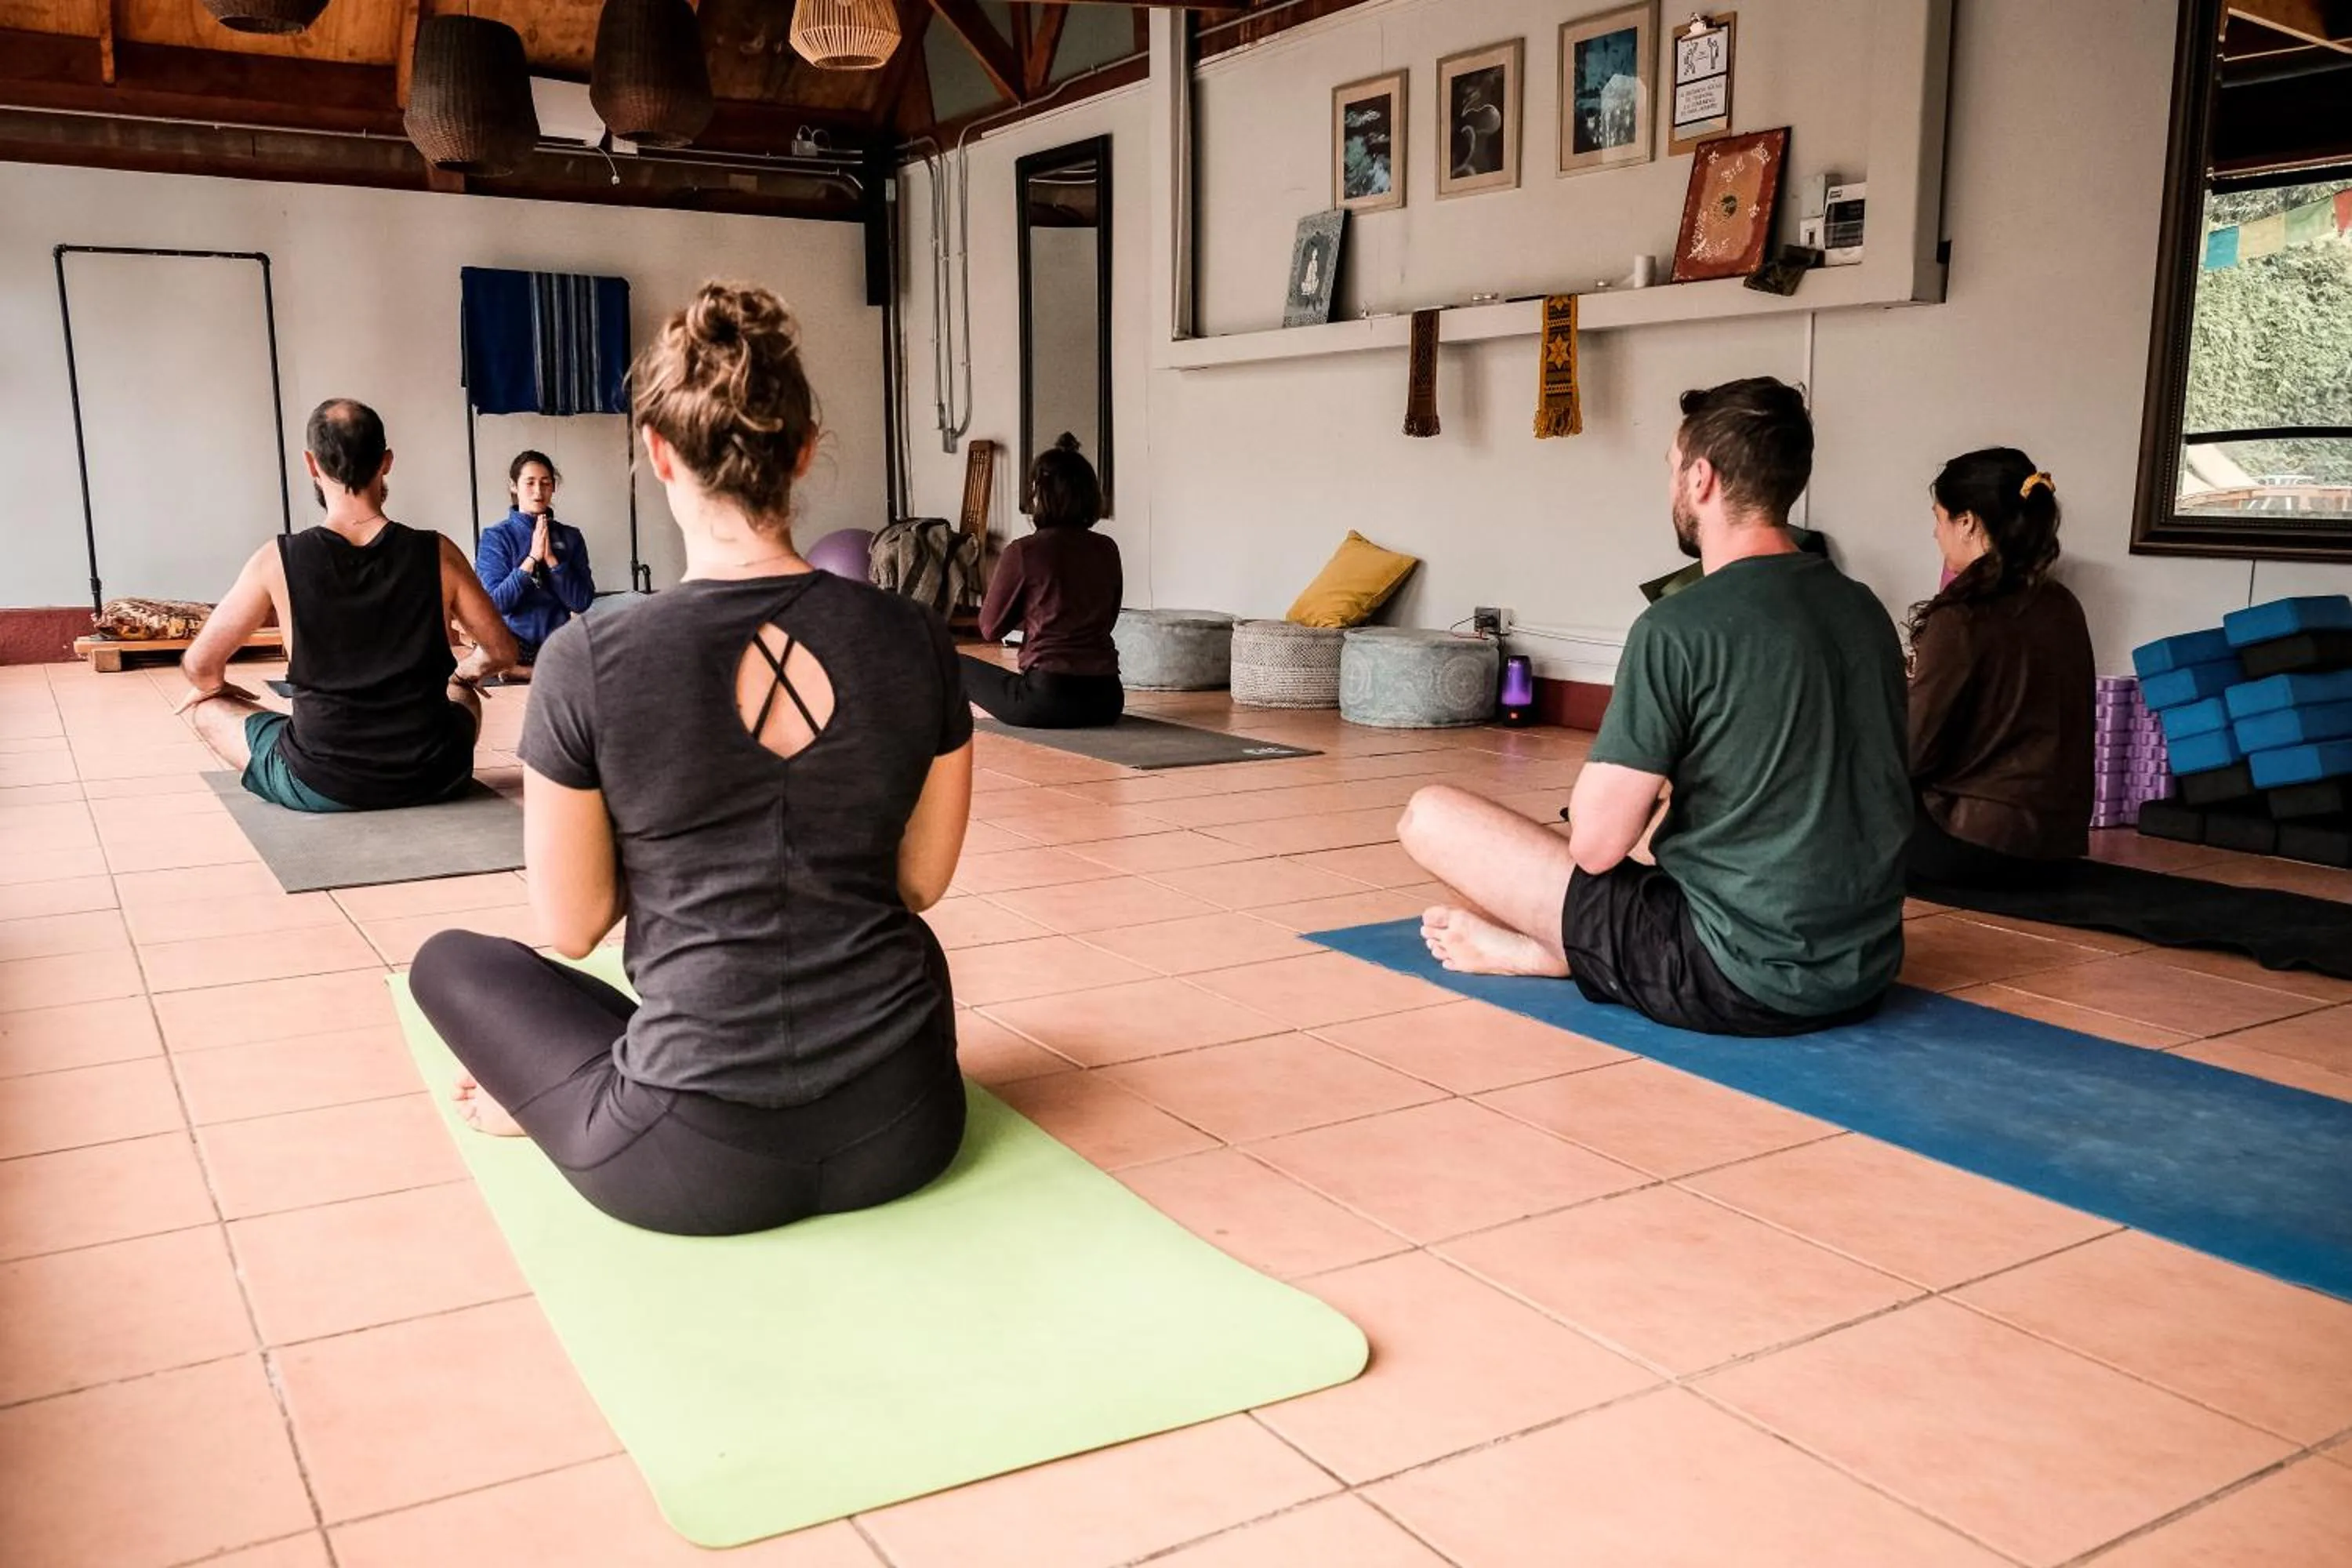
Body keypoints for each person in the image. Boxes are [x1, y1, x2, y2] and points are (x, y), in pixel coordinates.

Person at [409, 281, 975, 1237]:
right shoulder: (916, 637)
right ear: (802, 452)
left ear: (658, 452)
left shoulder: (589, 657)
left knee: (448, 963)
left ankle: (555, 1098)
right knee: (891, 941)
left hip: (685, 1161)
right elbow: (919, 883)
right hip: (910, 1124)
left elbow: (575, 922)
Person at [1395, 376, 1911, 1036]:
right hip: (1861, 970)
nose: (1671, 488)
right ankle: (1565, 953)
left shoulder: (1679, 625)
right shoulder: (1863, 608)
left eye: (1672, 470)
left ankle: (1563, 952)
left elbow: (1595, 848)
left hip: (1730, 976)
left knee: (1431, 815)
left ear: (1701, 479)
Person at [176, 398, 515, 812]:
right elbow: (501, 652)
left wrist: (217, 688)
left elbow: (200, 665)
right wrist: (464, 675)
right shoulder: (437, 552)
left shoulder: (277, 560)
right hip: (436, 774)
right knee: (462, 696)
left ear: (311, 465)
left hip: (323, 782)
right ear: (386, 462)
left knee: (206, 709)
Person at [1904, 451, 2094, 887]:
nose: (1936, 533)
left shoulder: (1961, 617)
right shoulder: (2063, 604)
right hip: (2056, 846)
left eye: (1940, 518)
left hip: (1977, 844)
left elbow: (1913, 753)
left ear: (1967, 522)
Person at [960, 434, 1124, 729]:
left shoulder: (1024, 551)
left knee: (950, 662)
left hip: (1047, 701)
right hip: (1107, 701)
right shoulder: (1107, 549)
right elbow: (1107, 620)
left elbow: (989, 628)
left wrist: (1034, 614)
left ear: (1039, 495)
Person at [475, 449, 596, 670]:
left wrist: (551, 560)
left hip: (558, 646)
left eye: (545, 483)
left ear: (554, 487)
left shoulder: (570, 536)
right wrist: (531, 559)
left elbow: (581, 602)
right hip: (511, 648)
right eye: (530, 483)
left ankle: (525, 674)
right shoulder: (496, 537)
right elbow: (495, 605)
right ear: (514, 486)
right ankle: (521, 672)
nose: (538, 491)